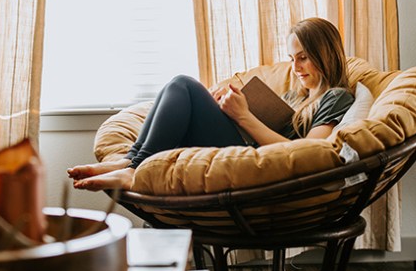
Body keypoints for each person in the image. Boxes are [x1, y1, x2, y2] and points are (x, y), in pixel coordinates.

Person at [67, 17, 354, 191]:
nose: (295, 67)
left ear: (325, 53)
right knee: (176, 89)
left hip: (255, 162)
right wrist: (228, 107)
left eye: (303, 57)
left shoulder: (336, 97)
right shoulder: (298, 96)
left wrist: (242, 117)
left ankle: (134, 168)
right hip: (243, 144)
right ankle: (130, 159)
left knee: (184, 85)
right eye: (292, 59)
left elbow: (310, 153)